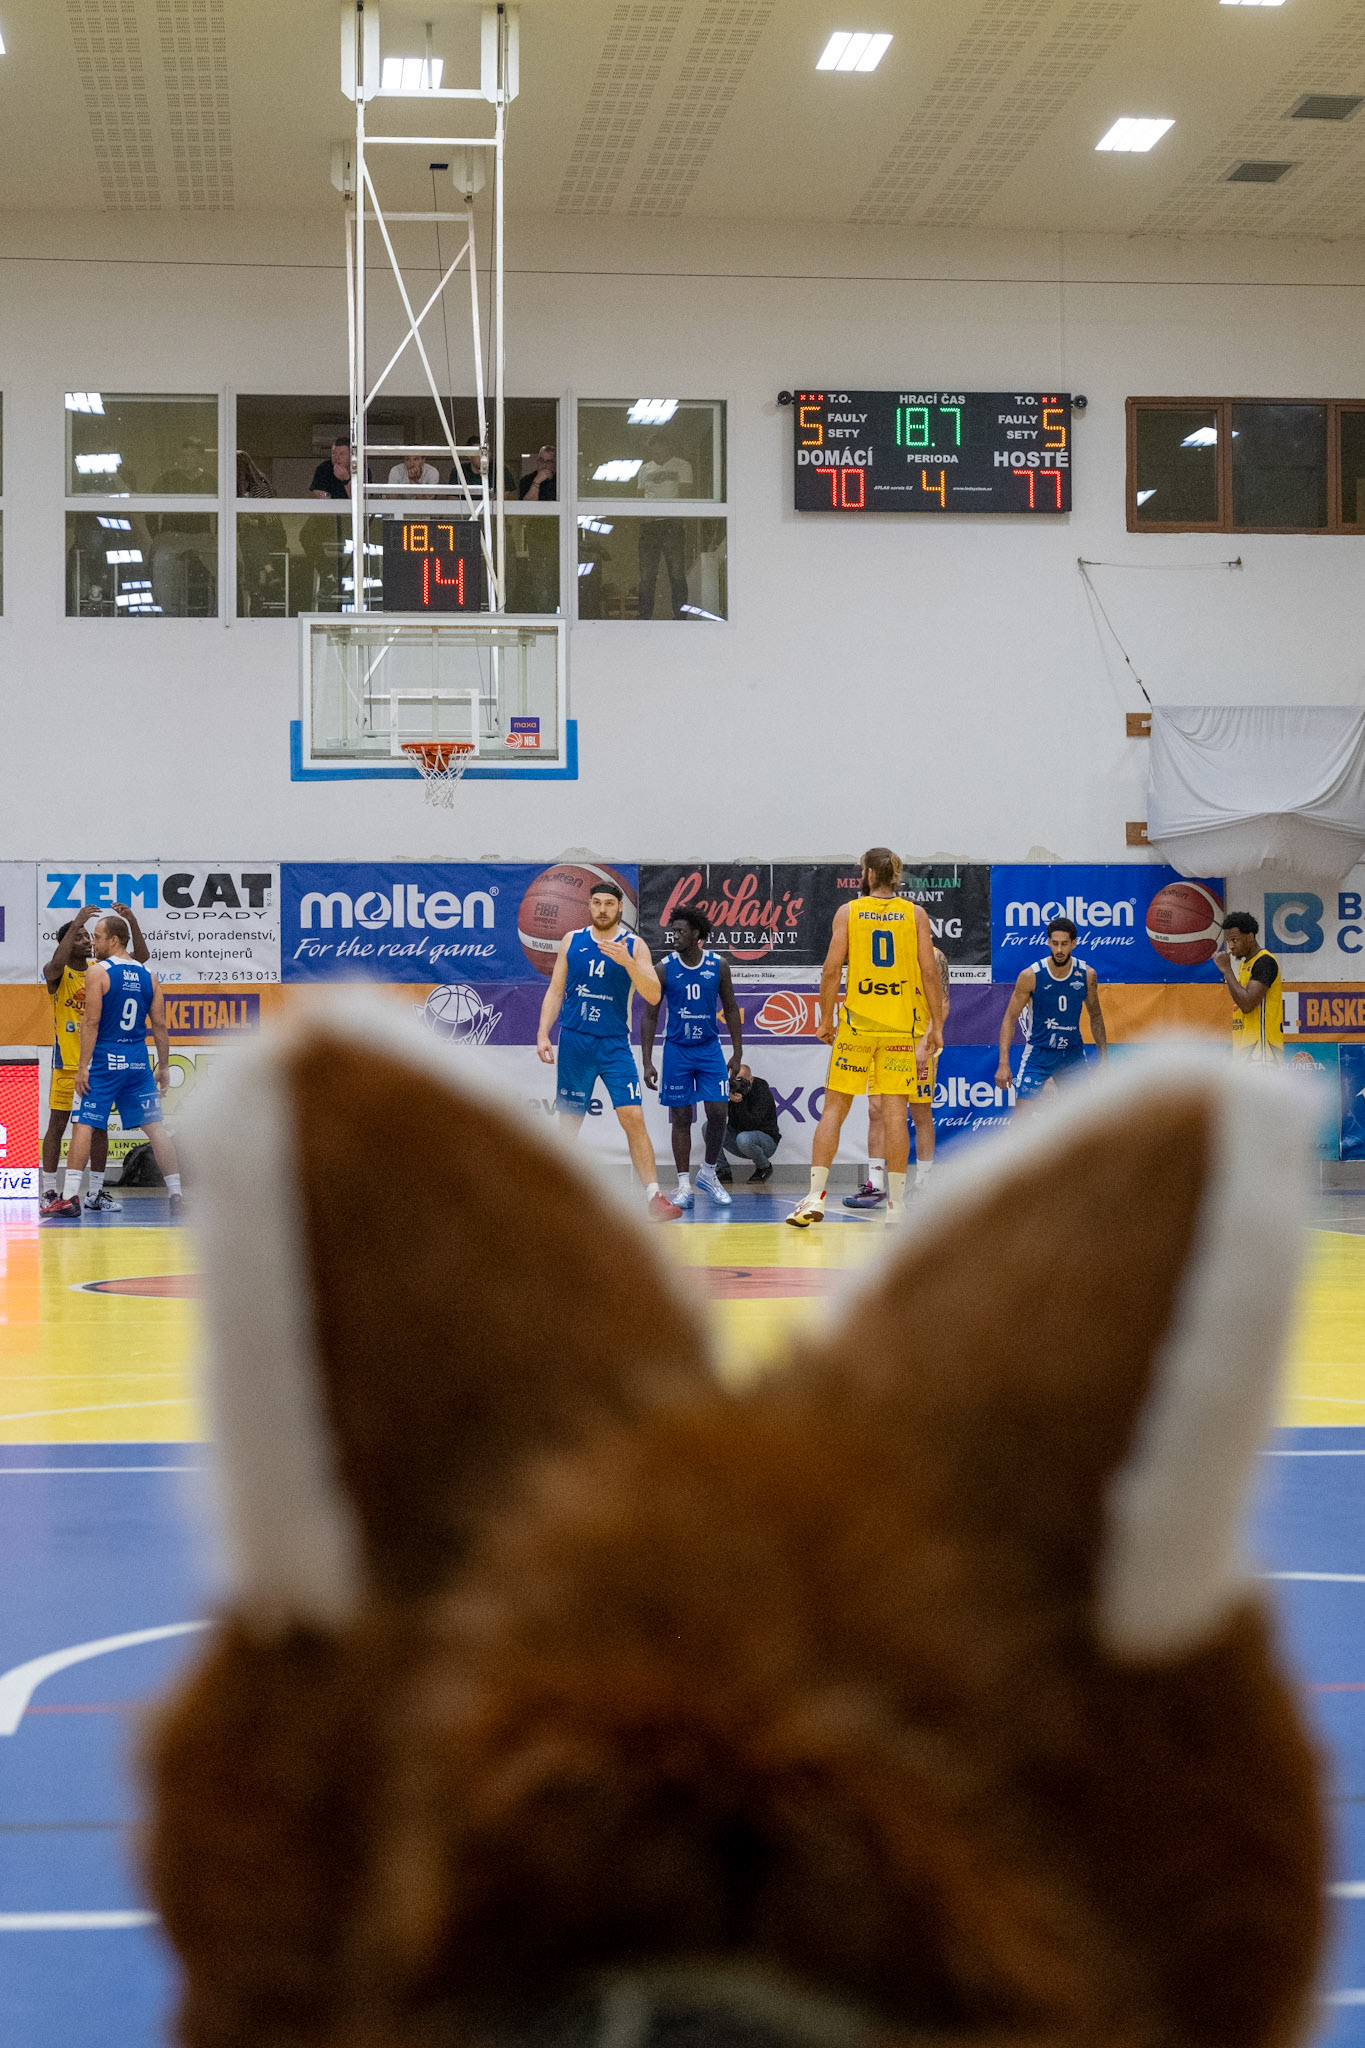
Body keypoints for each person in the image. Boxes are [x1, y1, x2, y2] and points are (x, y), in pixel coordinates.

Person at [787, 847, 944, 1229]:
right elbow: (929, 973)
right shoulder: (915, 914)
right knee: (895, 1116)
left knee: (833, 1111)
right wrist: (936, 1025)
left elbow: (830, 970)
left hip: (857, 1027)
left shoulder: (849, 912)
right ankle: (897, 1206)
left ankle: (814, 1196)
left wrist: (825, 1019)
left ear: (870, 874)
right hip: (899, 1029)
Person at [536, 880, 679, 1220]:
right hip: (576, 1040)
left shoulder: (635, 945)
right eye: (597, 903)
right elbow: (556, 990)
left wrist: (629, 963)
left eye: (609, 904)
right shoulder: (572, 940)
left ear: (619, 908)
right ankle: (558, 1192)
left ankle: (654, 1196)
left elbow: (654, 995)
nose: (602, 909)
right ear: (589, 906)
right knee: (570, 1120)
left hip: (614, 1044)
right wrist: (543, 1033)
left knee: (633, 1117)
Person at [44, 914, 183, 1221]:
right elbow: (160, 1026)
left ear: (113, 940)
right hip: (137, 1061)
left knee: (84, 1123)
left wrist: (83, 1066)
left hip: (105, 1060)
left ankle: (69, 1197)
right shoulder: (150, 976)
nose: (93, 942)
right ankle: (176, 1194)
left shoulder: (99, 972)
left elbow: (91, 1022)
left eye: (97, 936)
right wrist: (164, 1066)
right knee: (156, 1129)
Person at [641, 908, 742, 1210]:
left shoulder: (718, 965)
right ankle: (684, 1185)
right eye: (672, 931)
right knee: (682, 1117)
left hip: (709, 1048)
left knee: (719, 1112)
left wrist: (737, 1052)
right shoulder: (663, 968)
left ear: (696, 934)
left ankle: (708, 1173)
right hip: (677, 1049)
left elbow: (731, 1008)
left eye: (681, 931)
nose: (675, 936)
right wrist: (647, 1061)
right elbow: (650, 1015)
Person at [845, 943, 949, 1209]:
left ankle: (924, 1183)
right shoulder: (880, 952)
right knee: (876, 1109)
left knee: (920, 1111)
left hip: (917, 1040)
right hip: (883, 1040)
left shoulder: (934, 955)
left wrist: (926, 1042)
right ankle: (876, 1184)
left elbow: (942, 1003)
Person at [995, 917, 1108, 1109]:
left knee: (1082, 1116)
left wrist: (1104, 1060)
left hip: (1072, 1055)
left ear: (1074, 943)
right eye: (1055, 943)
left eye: (1064, 944)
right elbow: (1009, 1019)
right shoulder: (1031, 976)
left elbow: (1096, 1016)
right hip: (1040, 1053)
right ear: (1048, 942)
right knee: (1023, 1116)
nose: (1059, 950)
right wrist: (1003, 1063)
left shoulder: (1086, 975)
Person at [636, 434, 692, 619]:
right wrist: (645, 517)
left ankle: (680, 617)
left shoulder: (682, 466)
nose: (657, 453)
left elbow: (685, 495)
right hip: (649, 526)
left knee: (676, 574)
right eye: (654, 450)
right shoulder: (645, 469)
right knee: (646, 576)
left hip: (672, 524)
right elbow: (639, 497)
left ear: (668, 447)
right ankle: (644, 617)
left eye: (660, 448)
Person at [1215, 911, 1284, 1061]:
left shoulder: (1265, 962)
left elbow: (1247, 1004)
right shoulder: (1245, 965)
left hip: (1262, 1056)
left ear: (1250, 937)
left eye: (1235, 940)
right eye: (1228, 941)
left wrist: (1227, 970)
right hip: (1246, 1055)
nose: (1231, 946)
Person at [722, 1063, 781, 1183]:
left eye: (740, 1080)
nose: (737, 1084)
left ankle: (764, 1167)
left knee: (743, 1138)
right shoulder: (730, 1090)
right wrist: (724, 1098)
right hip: (739, 1139)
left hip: (765, 1141)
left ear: (751, 1079)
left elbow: (751, 1124)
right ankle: (722, 1170)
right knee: (709, 1128)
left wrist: (740, 1102)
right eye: (734, 1080)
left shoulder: (762, 1092)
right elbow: (717, 1116)